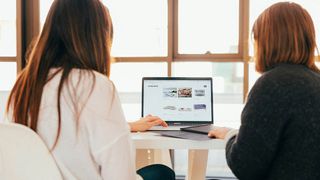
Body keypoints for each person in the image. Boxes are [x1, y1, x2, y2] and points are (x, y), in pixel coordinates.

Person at [6, 0, 174, 179]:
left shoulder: (23, 86)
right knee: (162, 173)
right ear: (97, 37)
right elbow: (120, 175)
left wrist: (128, 126)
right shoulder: (96, 86)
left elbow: (65, 134)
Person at [208, 2, 320, 180]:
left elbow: (244, 166)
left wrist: (230, 135)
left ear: (266, 42)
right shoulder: (316, 80)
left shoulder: (272, 84)